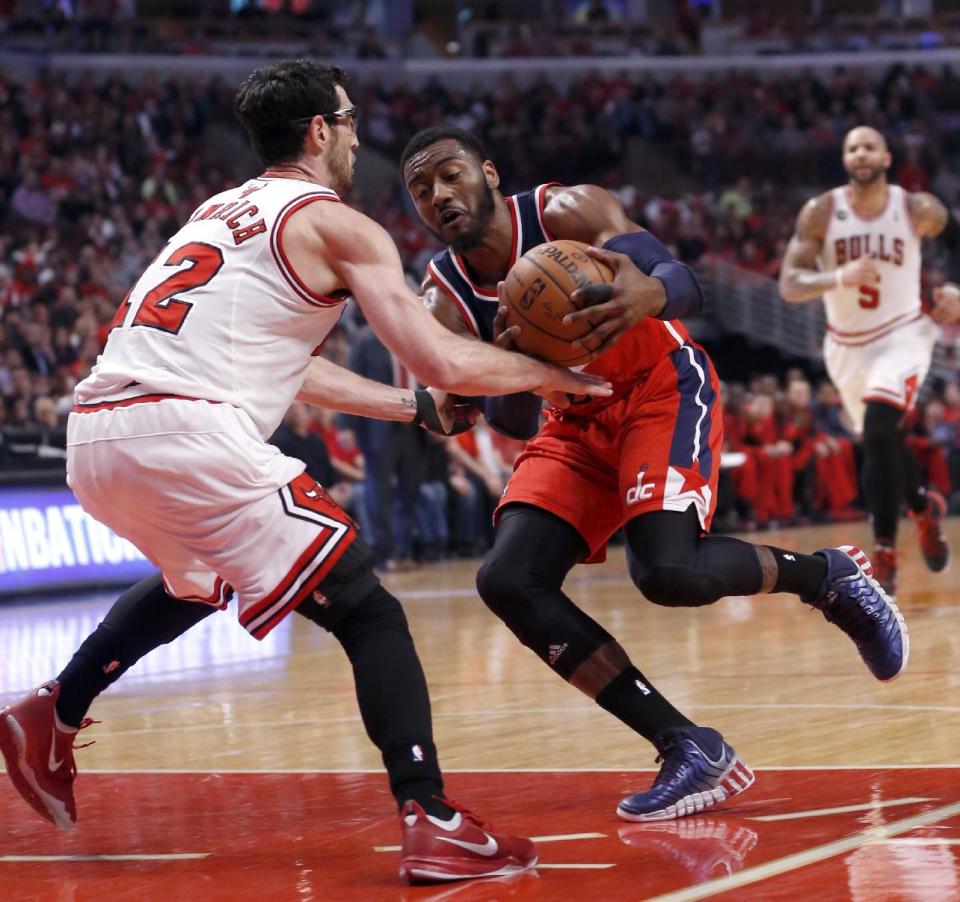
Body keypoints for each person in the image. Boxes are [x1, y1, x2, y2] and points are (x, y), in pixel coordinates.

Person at [0, 61, 611, 885]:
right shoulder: (340, 225)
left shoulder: (214, 213)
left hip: (99, 440)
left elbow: (291, 365)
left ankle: (51, 711)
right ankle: (431, 819)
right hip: (184, 429)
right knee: (368, 611)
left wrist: (412, 409)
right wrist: (550, 375)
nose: (358, 137)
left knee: (196, 583)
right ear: (322, 130)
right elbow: (434, 356)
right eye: (351, 121)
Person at [398, 125, 908, 822]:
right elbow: (513, 422)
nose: (440, 196)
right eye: (422, 190)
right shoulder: (445, 304)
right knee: (507, 580)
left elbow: (681, 282)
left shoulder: (562, 212)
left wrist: (642, 296)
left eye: (450, 175)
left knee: (668, 574)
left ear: (487, 172)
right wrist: (509, 370)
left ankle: (829, 577)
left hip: (657, 384)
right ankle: (689, 747)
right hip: (572, 424)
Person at [779, 125, 960, 596]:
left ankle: (883, 551)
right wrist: (837, 276)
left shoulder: (917, 207)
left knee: (880, 430)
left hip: (904, 333)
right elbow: (790, 283)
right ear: (845, 159)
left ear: (886, 156)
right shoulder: (821, 212)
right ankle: (923, 509)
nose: (861, 153)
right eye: (852, 147)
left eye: (869, 146)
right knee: (886, 441)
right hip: (846, 346)